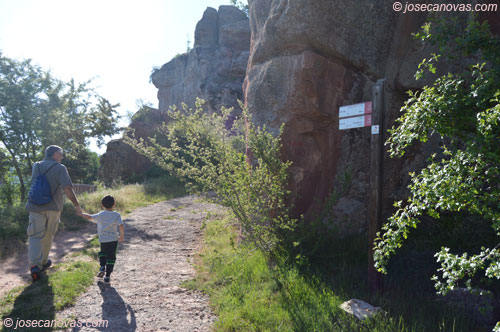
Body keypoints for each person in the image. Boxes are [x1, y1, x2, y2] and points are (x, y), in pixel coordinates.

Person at [26, 145, 82, 281]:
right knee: (48, 235)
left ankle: (35, 266)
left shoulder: (36, 166)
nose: (62, 157)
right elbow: (67, 189)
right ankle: (43, 262)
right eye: (61, 154)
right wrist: (76, 205)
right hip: (53, 207)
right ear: (55, 154)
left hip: (34, 206)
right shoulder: (60, 168)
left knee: (35, 236)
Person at [78, 195, 124, 284]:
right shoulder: (116, 215)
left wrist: (81, 213)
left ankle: (102, 267)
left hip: (103, 240)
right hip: (113, 240)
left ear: (102, 205)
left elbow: (89, 217)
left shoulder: (100, 214)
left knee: (103, 253)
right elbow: (121, 225)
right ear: (114, 204)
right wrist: (122, 235)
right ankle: (107, 276)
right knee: (111, 257)